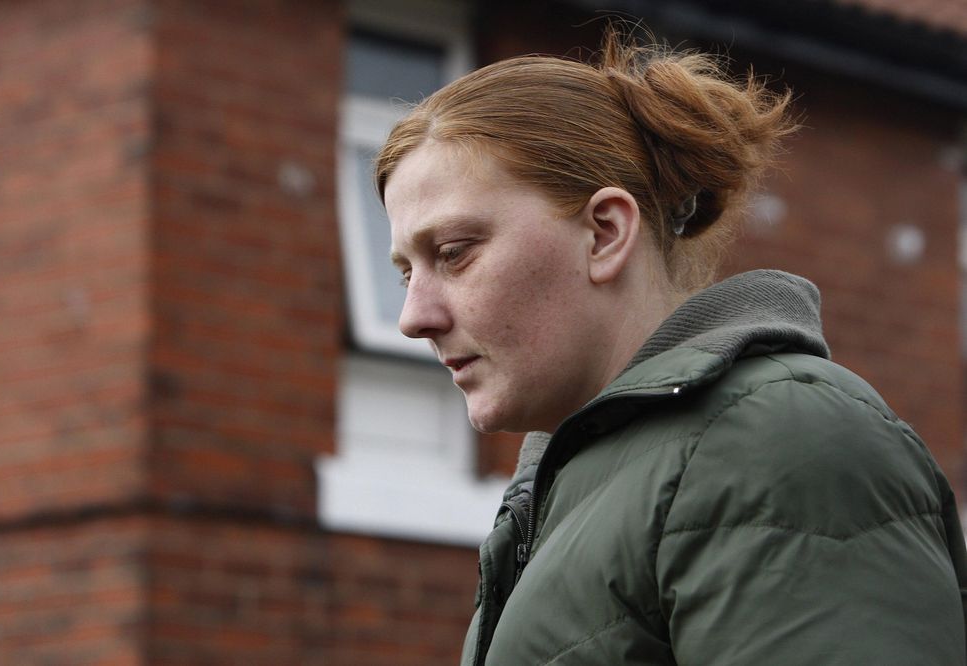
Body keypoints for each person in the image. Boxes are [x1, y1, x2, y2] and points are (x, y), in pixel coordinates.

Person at [376, 26, 967, 666]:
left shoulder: (779, 442)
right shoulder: (578, 489)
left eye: (454, 254)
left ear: (604, 233)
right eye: (407, 273)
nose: (413, 317)